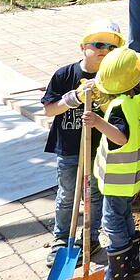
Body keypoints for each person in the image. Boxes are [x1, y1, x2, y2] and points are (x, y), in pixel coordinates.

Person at [42, 20, 124, 267]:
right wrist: (74, 98)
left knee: (95, 195)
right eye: (98, 44)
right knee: (68, 195)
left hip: (99, 149)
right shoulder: (65, 75)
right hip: (68, 148)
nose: (104, 50)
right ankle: (60, 239)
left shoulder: (114, 78)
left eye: (111, 48)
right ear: (83, 46)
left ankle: (90, 237)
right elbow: (48, 110)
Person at [84, 47, 140, 280]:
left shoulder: (119, 107)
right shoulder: (138, 99)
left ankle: (119, 269)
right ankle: (132, 260)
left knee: (112, 220)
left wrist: (98, 122)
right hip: (135, 174)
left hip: (117, 177)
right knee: (124, 214)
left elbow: (120, 137)